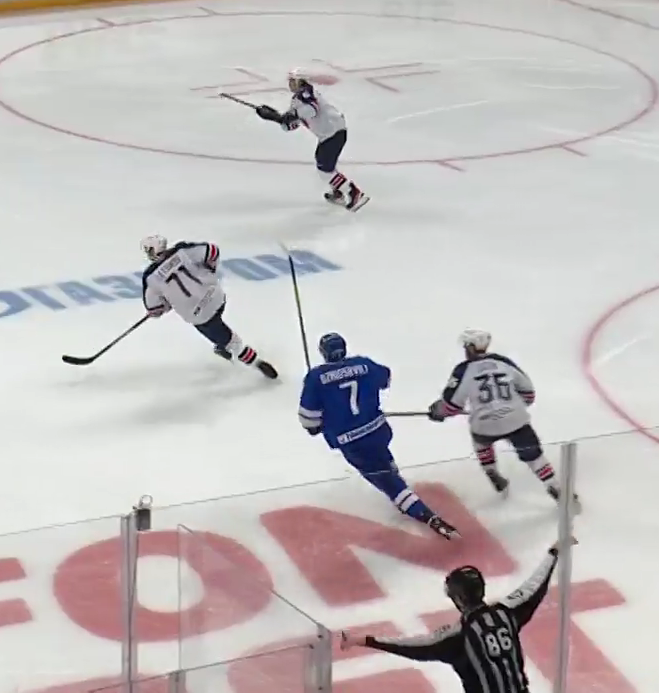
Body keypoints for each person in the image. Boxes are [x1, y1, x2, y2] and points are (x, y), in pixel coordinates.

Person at [301, 332, 459, 539]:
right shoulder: (363, 364)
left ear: (323, 352)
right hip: (378, 431)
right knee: (382, 458)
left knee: (389, 483)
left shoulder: (315, 377)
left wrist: (319, 424)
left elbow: (308, 419)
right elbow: (385, 378)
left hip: (352, 442)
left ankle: (428, 517)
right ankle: (393, 475)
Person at [344, 546, 564, 693]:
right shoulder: (507, 613)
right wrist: (553, 553)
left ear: (458, 598)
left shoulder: (458, 637)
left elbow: (414, 646)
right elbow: (533, 587)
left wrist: (367, 640)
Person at [430, 330, 569, 503]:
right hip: (515, 420)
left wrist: (438, 411)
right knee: (533, 455)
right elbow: (529, 393)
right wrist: (513, 405)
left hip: (484, 424)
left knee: (481, 442)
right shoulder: (503, 362)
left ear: (471, 348)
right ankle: (553, 485)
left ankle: (492, 471)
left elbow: (451, 405)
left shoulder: (463, 370)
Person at [140, 235, 278, 378]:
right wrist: (209, 270)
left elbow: (154, 309)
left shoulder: (150, 278)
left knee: (228, 340)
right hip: (215, 296)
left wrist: (167, 303)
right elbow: (212, 251)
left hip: (199, 315)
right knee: (217, 320)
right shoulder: (182, 251)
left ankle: (254, 360)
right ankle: (222, 346)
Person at [255, 69, 368, 211]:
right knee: (325, 164)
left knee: (324, 170)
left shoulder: (306, 92)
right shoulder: (297, 100)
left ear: (301, 81)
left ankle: (353, 192)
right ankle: (339, 192)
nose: (290, 84)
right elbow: (292, 125)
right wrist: (275, 117)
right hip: (330, 133)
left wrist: (291, 116)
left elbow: (312, 110)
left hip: (332, 132)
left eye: (293, 81)